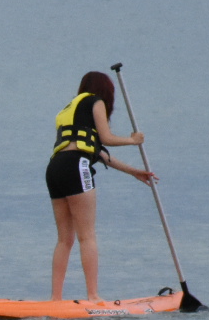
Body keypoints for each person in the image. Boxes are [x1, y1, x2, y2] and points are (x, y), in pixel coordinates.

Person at [46, 71, 157, 301]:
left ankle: (55, 299)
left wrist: (134, 172)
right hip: (76, 166)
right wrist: (132, 140)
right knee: (87, 236)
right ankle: (93, 296)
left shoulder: (70, 110)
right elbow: (106, 139)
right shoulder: (95, 101)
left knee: (64, 239)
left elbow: (98, 151)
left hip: (55, 169)